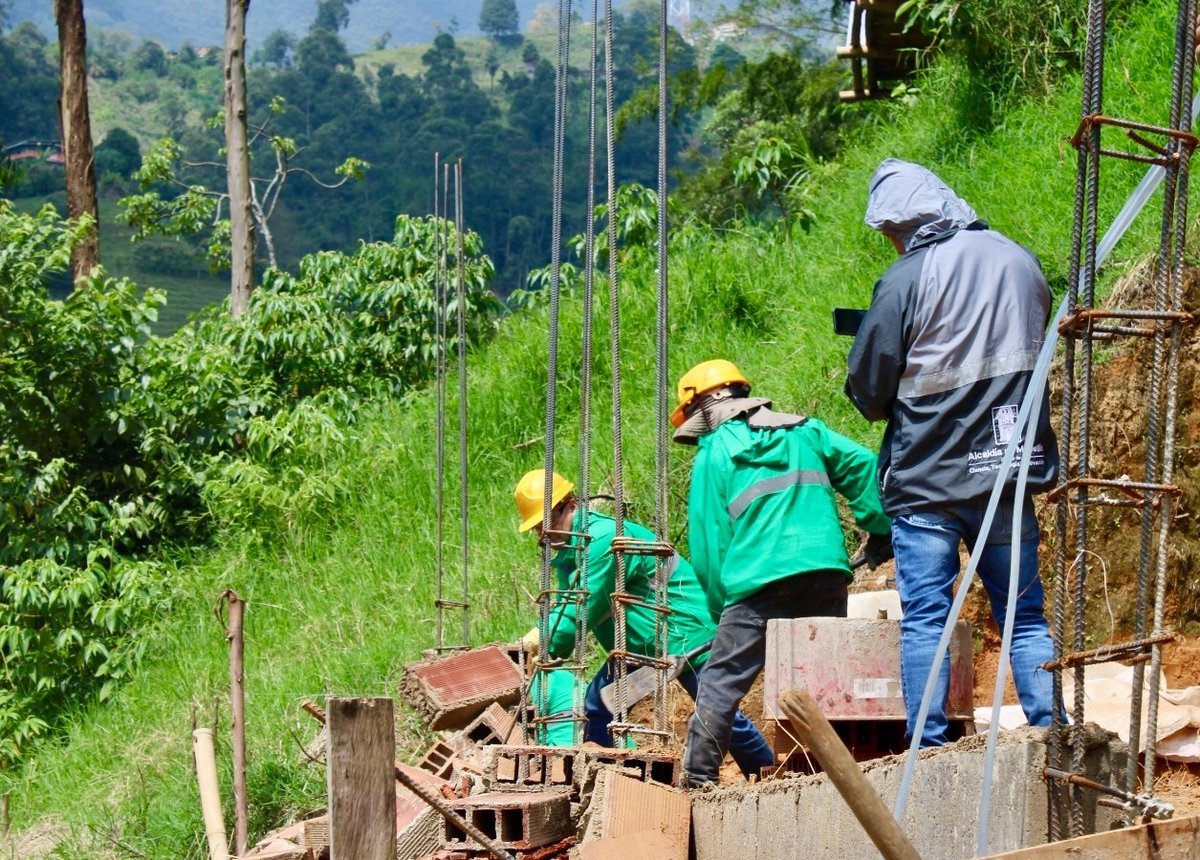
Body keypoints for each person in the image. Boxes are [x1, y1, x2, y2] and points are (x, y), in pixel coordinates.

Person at [845, 158, 1060, 747]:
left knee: (926, 623)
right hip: (1005, 472)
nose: (893, 243)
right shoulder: (1018, 259)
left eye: (892, 233)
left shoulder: (907, 279)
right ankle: (1051, 732)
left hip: (926, 482)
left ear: (904, 224)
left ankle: (929, 747)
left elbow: (869, 391)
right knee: (1025, 617)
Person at [671, 359, 892, 786]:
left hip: (757, 585)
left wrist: (721, 609)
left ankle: (698, 778)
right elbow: (864, 467)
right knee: (821, 676)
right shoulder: (805, 431)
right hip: (824, 573)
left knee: (721, 680)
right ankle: (831, 770)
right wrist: (879, 527)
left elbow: (710, 545)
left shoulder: (714, 453)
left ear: (700, 410)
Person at [513, 468, 775, 776]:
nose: (545, 535)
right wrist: (544, 639)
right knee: (599, 707)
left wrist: (541, 640)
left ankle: (768, 774)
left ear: (570, 505)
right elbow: (564, 605)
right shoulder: (569, 553)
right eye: (538, 529)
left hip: (684, 632)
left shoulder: (602, 541)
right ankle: (607, 781)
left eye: (548, 524)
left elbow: (579, 609)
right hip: (641, 647)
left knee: (715, 712)